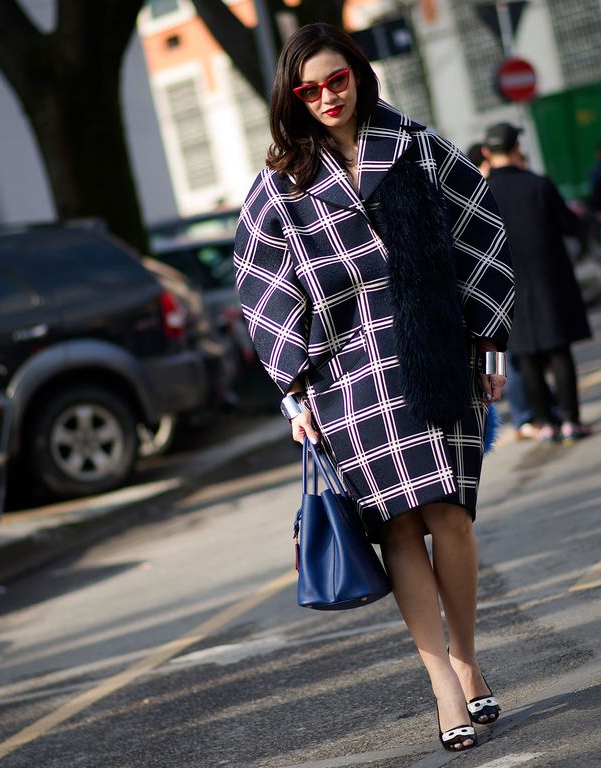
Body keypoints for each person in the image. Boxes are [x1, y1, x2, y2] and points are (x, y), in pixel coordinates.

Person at [234, 23, 514, 753]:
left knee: (449, 516)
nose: (327, 96)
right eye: (309, 88)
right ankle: (444, 691)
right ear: (291, 96)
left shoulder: (417, 146)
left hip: (433, 354)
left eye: (338, 80)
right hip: (346, 380)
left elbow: (478, 232)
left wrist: (489, 341)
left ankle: (468, 657)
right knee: (397, 526)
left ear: (359, 75)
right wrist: (293, 391)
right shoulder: (279, 186)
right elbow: (263, 287)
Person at [482, 122, 592, 443]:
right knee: (559, 352)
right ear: (517, 148)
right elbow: (571, 226)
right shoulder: (538, 184)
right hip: (549, 284)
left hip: (507, 289)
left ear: (487, 153)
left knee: (526, 356)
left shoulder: (482, 192)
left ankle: (544, 423)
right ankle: (571, 420)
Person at [465, 141, 557, 441]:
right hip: (503, 302)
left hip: (498, 304)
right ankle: (524, 416)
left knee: (512, 359)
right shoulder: (483, 192)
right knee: (512, 362)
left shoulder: (481, 192)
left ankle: (527, 416)